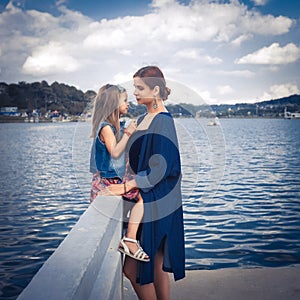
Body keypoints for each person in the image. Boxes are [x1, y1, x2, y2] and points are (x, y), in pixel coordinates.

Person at [102, 66, 185, 299]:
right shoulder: (142, 118)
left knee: (133, 268)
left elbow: (162, 168)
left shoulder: (163, 122)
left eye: (140, 88)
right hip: (149, 193)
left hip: (158, 196)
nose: (135, 93)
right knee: (155, 264)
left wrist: (127, 186)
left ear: (155, 90)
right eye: (134, 87)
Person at [89, 83, 150, 262]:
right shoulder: (106, 127)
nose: (128, 103)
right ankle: (130, 240)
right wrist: (129, 134)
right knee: (143, 196)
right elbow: (115, 152)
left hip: (112, 178)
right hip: (107, 181)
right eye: (124, 100)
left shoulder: (114, 126)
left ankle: (130, 237)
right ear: (113, 103)